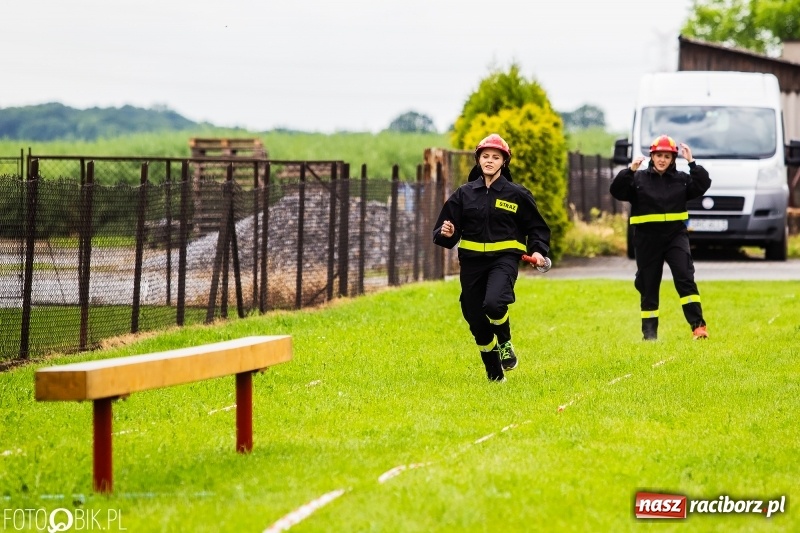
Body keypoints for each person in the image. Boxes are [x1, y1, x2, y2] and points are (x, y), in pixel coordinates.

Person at [432, 134, 551, 382]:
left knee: (494, 303)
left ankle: (505, 342)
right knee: (475, 317)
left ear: (504, 162)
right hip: (472, 263)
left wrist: (538, 250)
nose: (489, 161)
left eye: (495, 157)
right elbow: (444, 231)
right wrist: (448, 232)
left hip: (504, 261)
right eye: (485, 156)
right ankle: (495, 374)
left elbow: (537, 228)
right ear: (478, 160)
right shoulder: (463, 194)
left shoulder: (517, 194)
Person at [610, 134, 712, 341]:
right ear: (652, 156)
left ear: (673, 159)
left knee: (685, 278)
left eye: (667, 156)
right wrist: (630, 170)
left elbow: (702, 184)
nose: (662, 160)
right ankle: (649, 335)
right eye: (659, 155)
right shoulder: (638, 179)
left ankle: (698, 328)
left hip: (675, 237)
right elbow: (617, 191)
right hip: (647, 240)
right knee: (648, 285)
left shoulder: (682, 180)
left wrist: (692, 162)